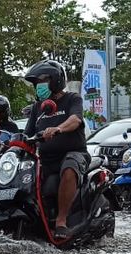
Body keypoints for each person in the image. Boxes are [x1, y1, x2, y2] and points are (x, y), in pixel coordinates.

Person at [23, 59, 88, 239]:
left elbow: (76, 120)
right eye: (36, 84)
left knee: (69, 167)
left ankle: (61, 221)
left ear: (56, 80)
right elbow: (27, 135)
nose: (38, 87)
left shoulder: (72, 99)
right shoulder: (38, 108)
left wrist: (58, 129)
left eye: (42, 82)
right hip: (47, 161)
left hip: (74, 155)